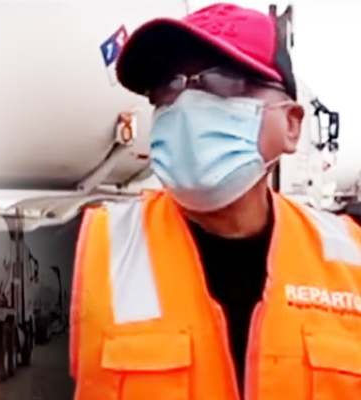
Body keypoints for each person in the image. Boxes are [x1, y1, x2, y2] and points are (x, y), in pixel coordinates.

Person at [69, 3, 361, 400]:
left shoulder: (351, 257)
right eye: (168, 87)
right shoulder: (91, 250)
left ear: (291, 125)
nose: (186, 105)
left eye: (224, 80)